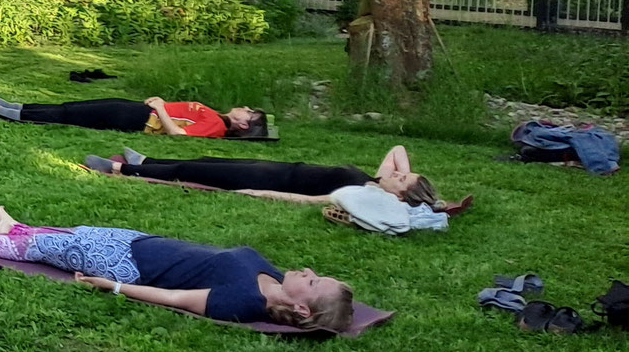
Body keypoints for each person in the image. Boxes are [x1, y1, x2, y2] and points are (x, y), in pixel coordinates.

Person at [0, 208, 355, 331]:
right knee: (71, 234)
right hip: (140, 242)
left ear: (299, 310)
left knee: (40, 249)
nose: (309, 269)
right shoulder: (273, 276)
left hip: (125, 263)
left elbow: (176, 300)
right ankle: (15, 226)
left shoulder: (243, 302)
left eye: (314, 281)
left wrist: (116, 287)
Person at [83, 143, 471, 212]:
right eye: (401, 175)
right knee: (206, 159)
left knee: (193, 172)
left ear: (398, 196)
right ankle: (148, 158)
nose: (397, 173)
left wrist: (258, 192)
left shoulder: (363, 195)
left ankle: (122, 168)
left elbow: (308, 200)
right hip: (278, 165)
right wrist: (417, 189)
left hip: (272, 179)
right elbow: (398, 149)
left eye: (401, 180)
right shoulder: (377, 179)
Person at [0, 90, 269, 142]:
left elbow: (180, 135)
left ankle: (10, 115)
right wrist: (162, 104)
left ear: (244, 124)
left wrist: (160, 108)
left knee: (72, 115)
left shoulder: (217, 127)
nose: (243, 106)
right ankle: (16, 107)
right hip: (139, 110)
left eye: (248, 111)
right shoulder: (216, 117)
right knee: (72, 106)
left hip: (138, 119)